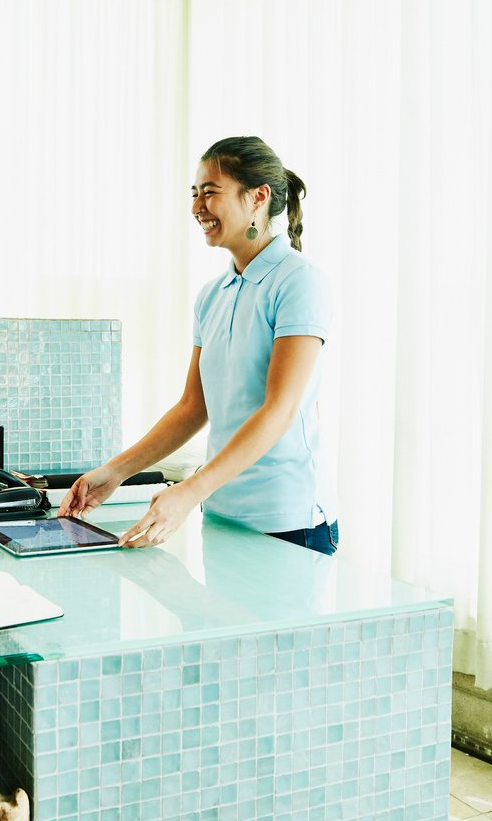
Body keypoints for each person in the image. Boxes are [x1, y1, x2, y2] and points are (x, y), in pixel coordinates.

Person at [62, 136, 338, 553]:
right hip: (223, 514)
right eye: (194, 194)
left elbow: (279, 410)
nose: (197, 208)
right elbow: (194, 406)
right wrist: (116, 472)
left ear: (258, 197)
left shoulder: (299, 281)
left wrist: (190, 491)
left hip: (288, 518)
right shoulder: (213, 294)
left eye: (210, 193)